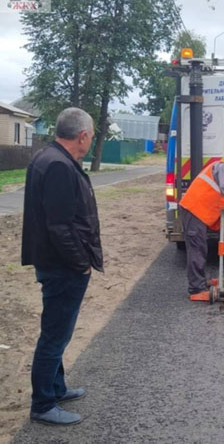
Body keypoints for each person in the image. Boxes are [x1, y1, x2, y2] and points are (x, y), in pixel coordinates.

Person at [21, 107, 102, 426]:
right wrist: (81, 264)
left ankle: (56, 388)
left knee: (58, 331)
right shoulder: (58, 165)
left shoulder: (51, 158)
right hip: (62, 267)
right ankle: (42, 404)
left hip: (56, 262)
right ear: (82, 135)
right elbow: (59, 227)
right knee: (54, 336)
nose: (91, 140)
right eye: (92, 135)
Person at [178, 159, 224, 299]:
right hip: (194, 210)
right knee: (197, 249)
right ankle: (196, 288)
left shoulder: (222, 171)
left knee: (200, 248)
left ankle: (199, 283)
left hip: (197, 212)